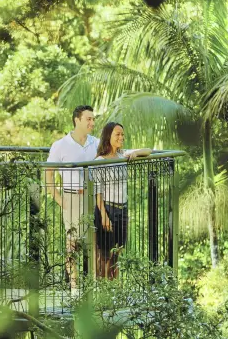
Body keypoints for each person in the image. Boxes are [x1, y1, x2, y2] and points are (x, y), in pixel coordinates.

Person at [46, 105, 97, 289]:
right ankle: (74, 287)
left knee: (94, 242)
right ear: (77, 120)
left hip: (93, 198)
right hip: (71, 197)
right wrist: (60, 200)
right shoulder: (60, 145)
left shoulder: (96, 143)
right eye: (88, 119)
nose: (92, 122)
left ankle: (93, 286)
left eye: (93, 119)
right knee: (72, 244)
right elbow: (48, 174)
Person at [92, 122, 151, 279]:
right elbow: (97, 192)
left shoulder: (123, 155)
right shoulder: (99, 161)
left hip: (122, 210)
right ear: (108, 136)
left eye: (122, 134)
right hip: (107, 210)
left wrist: (136, 153)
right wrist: (104, 215)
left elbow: (149, 151)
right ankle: (102, 291)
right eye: (117, 134)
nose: (121, 137)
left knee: (117, 254)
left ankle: (114, 292)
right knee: (105, 255)